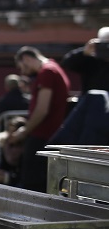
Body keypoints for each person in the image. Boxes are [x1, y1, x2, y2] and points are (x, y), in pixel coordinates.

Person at [10, 46, 70, 192]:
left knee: (33, 186)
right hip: (49, 136)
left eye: (22, 67)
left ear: (27, 59)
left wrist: (23, 132)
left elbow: (42, 109)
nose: (23, 72)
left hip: (42, 137)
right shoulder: (53, 68)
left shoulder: (47, 72)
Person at [60, 27, 109, 93]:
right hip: (92, 100)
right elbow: (66, 63)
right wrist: (84, 52)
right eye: (105, 44)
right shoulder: (90, 58)